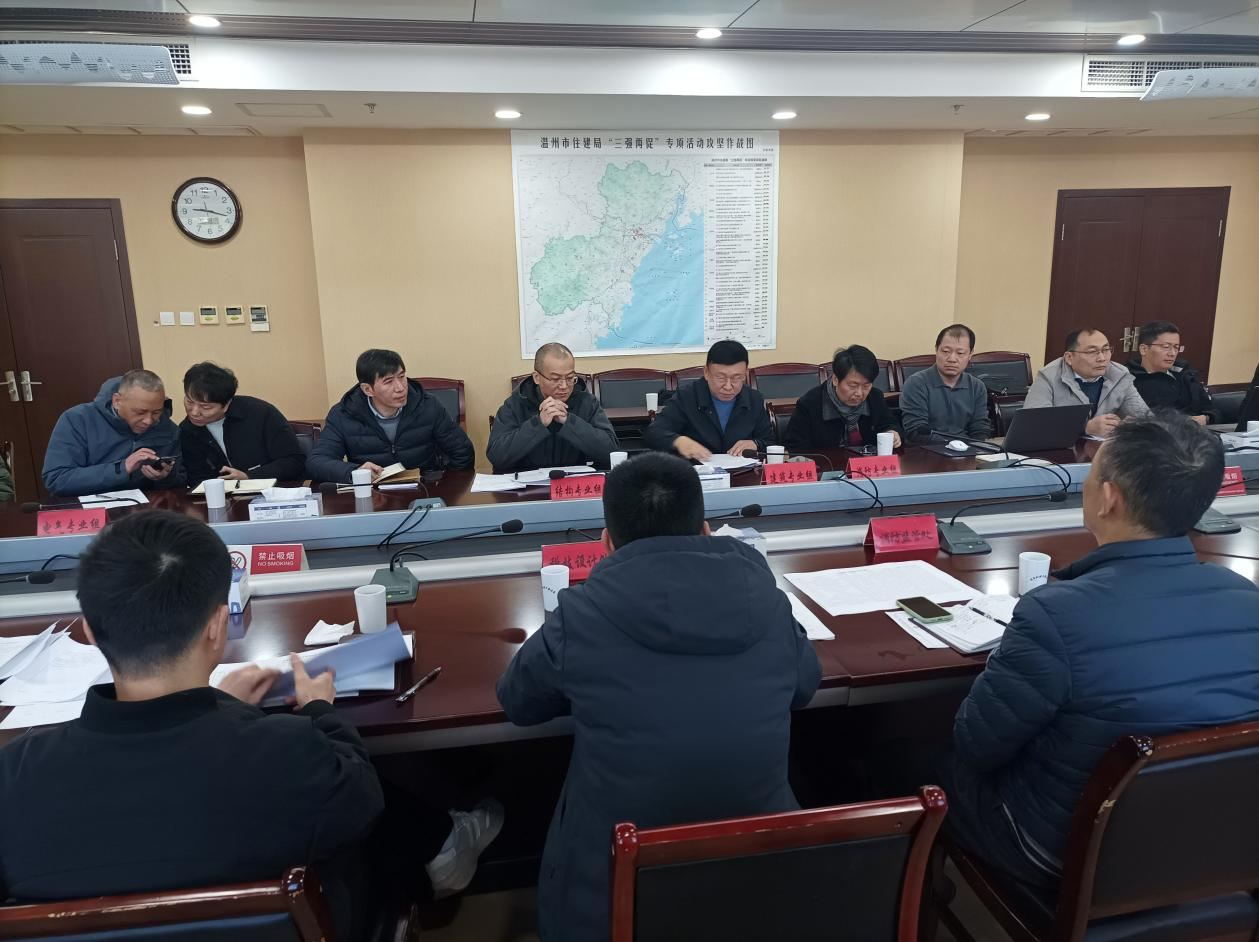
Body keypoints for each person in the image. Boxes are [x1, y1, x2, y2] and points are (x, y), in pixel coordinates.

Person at [0, 511, 503, 936]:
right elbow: (363, 800)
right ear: (218, 626)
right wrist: (319, 710)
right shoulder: (286, 755)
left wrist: (222, 705)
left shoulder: (15, 776)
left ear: (90, 631)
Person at [497, 452, 821, 942]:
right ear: (706, 530)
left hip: (613, 888)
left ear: (605, 543)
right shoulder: (770, 602)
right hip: (762, 876)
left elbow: (517, 702)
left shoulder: (580, 615)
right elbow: (805, 685)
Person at [941, 413, 1259, 890]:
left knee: (912, 760)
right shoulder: (1247, 599)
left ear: (1109, 497)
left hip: (1071, 857)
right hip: (1215, 848)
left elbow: (976, 745)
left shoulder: (1056, 615)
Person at [307, 348, 474, 483]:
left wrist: (446, 487)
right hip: (371, 494)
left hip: (423, 491)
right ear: (368, 389)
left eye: (402, 377)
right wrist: (356, 472)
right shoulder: (343, 414)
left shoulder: (427, 405)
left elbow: (462, 451)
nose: (400, 388)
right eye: (388, 381)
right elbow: (317, 462)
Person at [42, 370, 183, 497]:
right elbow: (56, 479)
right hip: (89, 509)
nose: (148, 420)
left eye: (156, 412)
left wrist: (165, 478)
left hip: (144, 511)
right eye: (140, 412)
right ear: (117, 401)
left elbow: (180, 483)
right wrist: (121, 468)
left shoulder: (168, 428)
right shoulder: (78, 419)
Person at [486, 342, 618, 473]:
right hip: (526, 482)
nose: (564, 386)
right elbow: (497, 456)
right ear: (537, 378)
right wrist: (538, 424)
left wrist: (569, 422)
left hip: (573, 482)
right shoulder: (516, 404)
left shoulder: (587, 402)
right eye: (555, 379)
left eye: (570, 378)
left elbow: (611, 451)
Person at [179, 361, 306, 484]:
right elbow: (196, 480)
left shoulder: (260, 413)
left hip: (274, 491)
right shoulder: (187, 431)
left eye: (205, 407)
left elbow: (294, 461)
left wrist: (249, 476)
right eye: (189, 402)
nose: (194, 412)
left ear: (226, 404)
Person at [643, 340, 774, 460]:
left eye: (736, 378)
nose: (728, 386)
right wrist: (678, 441)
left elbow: (770, 442)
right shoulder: (687, 397)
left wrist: (755, 444)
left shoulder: (754, 399)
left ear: (745, 374)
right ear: (706, 372)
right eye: (721, 377)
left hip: (742, 473)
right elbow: (653, 433)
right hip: (696, 473)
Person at [1024, 328, 1149, 438]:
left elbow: (1146, 418)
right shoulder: (1048, 376)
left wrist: (1126, 426)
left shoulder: (1119, 375)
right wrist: (1085, 428)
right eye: (1092, 352)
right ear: (1069, 357)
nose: (1102, 358)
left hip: (1102, 450)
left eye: (1106, 350)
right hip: (1058, 449)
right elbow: (1033, 424)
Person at [783, 345, 902, 452]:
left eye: (866, 386)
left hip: (868, 467)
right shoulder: (810, 404)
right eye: (853, 385)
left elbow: (890, 424)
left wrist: (893, 433)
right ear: (835, 380)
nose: (859, 393)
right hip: (827, 467)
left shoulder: (875, 398)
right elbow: (796, 448)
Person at [899, 324, 993, 442]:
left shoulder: (977, 386)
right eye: (946, 351)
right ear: (936, 350)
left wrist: (975, 448)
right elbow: (916, 431)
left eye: (960, 353)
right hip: (926, 449)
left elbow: (980, 429)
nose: (952, 359)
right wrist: (953, 446)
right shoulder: (916, 383)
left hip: (967, 448)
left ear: (970, 354)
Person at [1126, 321, 1216, 425]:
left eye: (1176, 347)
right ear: (1144, 349)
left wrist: (1206, 418)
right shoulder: (1129, 380)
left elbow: (1212, 410)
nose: (1172, 353)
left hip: (1200, 432)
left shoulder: (1185, 373)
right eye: (1166, 347)